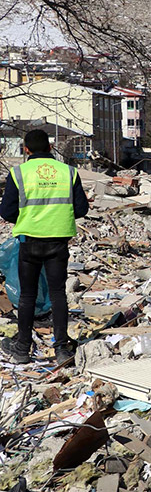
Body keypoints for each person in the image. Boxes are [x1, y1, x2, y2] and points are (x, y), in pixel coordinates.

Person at [0, 130, 89, 365]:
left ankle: (22, 350)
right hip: (58, 241)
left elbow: (7, 212)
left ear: (26, 149)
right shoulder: (68, 172)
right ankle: (61, 348)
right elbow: (81, 209)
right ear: (50, 148)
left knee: (28, 296)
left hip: (29, 241)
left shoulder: (18, 173)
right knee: (58, 294)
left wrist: (31, 216)